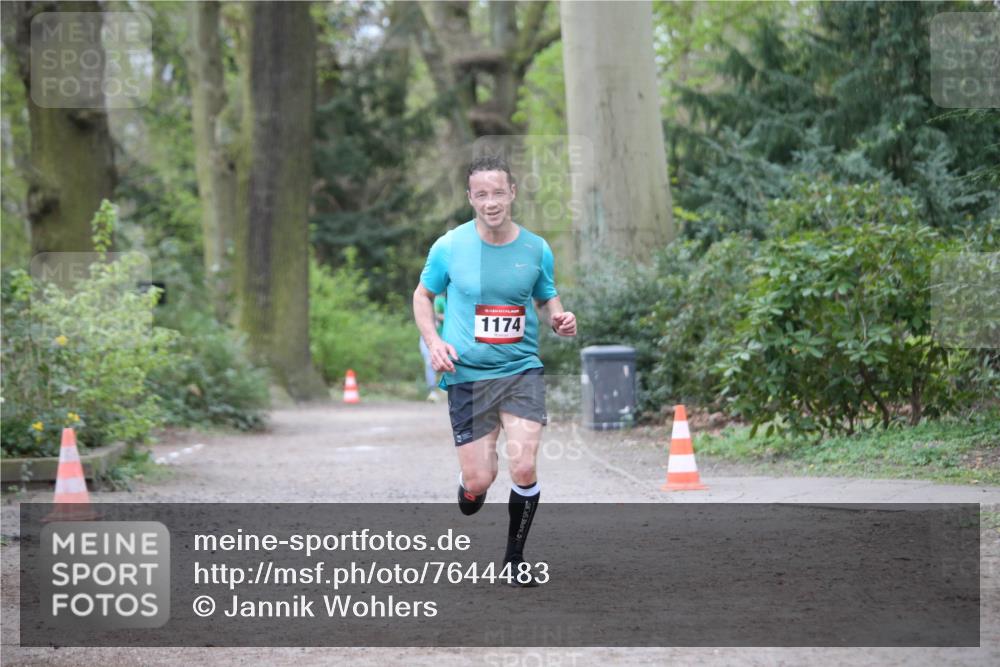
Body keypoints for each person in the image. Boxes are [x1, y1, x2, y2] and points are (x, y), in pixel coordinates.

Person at [412, 155, 576, 587]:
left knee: (523, 467)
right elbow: (423, 296)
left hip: (521, 370)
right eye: (481, 194)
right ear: (470, 197)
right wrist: (434, 341)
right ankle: (470, 485)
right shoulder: (449, 246)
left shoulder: (536, 248)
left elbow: (546, 296)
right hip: (468, 377)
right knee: (479, 480)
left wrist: (559, 317)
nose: (490, 202)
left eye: (498, 192)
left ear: (512, 193)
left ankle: (515, 557)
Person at [418, 294, 447, 402]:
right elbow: (436, 315)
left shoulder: (449, 299)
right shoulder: (438, 300)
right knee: (430, 363)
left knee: (447, 361)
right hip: (430, 337)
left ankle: (444, 388)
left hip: (444, 336)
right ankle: (432, 391)